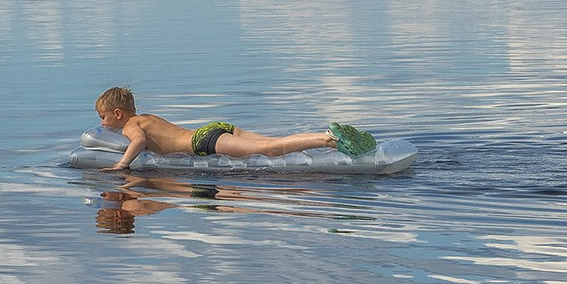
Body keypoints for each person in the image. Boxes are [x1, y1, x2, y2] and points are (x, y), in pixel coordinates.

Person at [94, 86, 376, 172]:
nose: (102, 124)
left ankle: (328, 139)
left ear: (118, 114)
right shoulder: (145, 116)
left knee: (270, 150)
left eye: (104, 117)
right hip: (212, 128)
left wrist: (121, 164)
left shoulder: (131, 125)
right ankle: (329, 136)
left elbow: (140, 141)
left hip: (204, 142)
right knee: (274, 143)